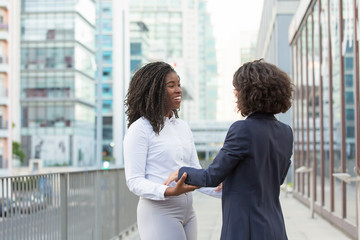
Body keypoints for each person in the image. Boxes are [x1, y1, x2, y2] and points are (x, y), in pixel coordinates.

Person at [165, 59, 294, 240]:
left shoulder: (242, 129)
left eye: (238, 89)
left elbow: (211, 177)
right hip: (275, 228)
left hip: (245, 230)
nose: (235, 93)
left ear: (248, 93)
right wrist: (236, 180)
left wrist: (180, 172)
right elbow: (274, 178)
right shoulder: (286, 132)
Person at [123, 61, 221, 240]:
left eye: (179, 84)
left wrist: (221, 188)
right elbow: (134, 180)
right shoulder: (140, 129)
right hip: (159, 212)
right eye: (171, 85)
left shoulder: (182, 126)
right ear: (154, 90)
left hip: (188, 212)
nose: (178, 90)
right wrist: (168, 191)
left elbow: (194, 171)